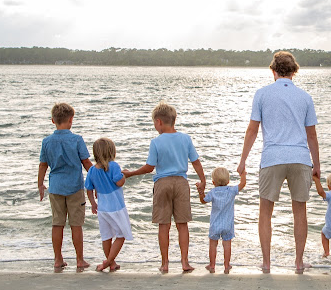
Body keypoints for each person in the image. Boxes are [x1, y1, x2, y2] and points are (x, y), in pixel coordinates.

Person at [237, 51, 320, 272]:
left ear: (273, 71)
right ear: (294, 72)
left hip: (272, 157)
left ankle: (266, 263)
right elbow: (311, 135)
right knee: (299, 211)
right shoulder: (305, 97)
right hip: (300, 158)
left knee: (265, 211)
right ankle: (299, 263)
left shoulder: (262, 94)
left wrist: (243, 160)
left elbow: (253, 130)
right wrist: (317, 165)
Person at [123, 102, 206, 273]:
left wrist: (130, 173)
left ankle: (165, 263)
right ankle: (184, 262)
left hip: (162, 183)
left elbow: (149, 167)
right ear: (173, 121)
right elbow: (196, 162)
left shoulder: (156, 142)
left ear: (159, 122)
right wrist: (202, 180)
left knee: (164, 225)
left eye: (154, 122)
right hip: (181, 183)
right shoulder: (185, 138)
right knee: (182, 224)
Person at [38, 102, 93, 271]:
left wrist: (40, 184)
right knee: (76, 224)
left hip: (55, 187)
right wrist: (97, 179)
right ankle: (79, 259)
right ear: (71, 120)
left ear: (53, 121)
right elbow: (86, 162)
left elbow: (43, 165)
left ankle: (57, 259)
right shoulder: (77, 140)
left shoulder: (47, 141)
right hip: (75, 187)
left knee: (57, 223)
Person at [85, 137, 133, 272]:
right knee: (121, 235)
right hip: (116, 207)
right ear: (112, 152)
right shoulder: (113, 166)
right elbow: (119, 182)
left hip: (102, 208)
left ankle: (112, 263)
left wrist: (93, 203)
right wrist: (125, 174)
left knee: (106, 236)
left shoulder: (92, 171)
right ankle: (108, 261)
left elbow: (89, 189)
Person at [199, 167, 246, 273]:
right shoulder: (231, 191)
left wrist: (201, 192)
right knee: (227, 244)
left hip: (215, 224)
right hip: (227, 224)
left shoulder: (213, 192)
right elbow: (243, 184)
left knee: (213, 244)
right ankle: (226, 265)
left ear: (213, 182)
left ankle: (212, 265)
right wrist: (243, 174)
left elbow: (203, 201)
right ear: (228, 181)